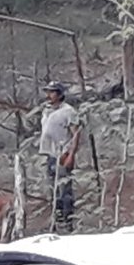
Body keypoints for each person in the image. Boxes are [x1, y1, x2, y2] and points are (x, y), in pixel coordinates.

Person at [38, 81, 80, 231]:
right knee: (53, 188)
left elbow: (76, 133)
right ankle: (56, 220)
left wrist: (71, 155)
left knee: (64, 189)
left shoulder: (68, 111)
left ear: (60, 94)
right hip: (50, 153)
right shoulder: (47, 110)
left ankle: (67, 222)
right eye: (48, 92)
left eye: (52, 92)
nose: (49, 95)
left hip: (63, 154)